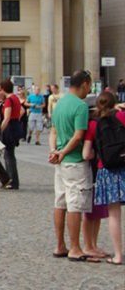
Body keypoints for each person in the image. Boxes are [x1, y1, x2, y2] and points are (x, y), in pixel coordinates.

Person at [49, 70, 95, 262]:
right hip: (75, 162)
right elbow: (78, 136)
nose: (90, 90)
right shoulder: (80, 106)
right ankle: (75, 247)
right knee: (74, 204)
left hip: (60, 163)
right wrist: (64, 152)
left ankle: (60, 244)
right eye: (89, 86)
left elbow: (53, 131)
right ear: (84, 84)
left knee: (60, 203)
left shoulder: (60, 104)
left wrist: (54, 151)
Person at [87, 90, 125, 265]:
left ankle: (118, 255)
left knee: (114, 215)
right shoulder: (122, 117)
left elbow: (87, 153)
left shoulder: (94, 124)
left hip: (107, 170)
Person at [0, 79, 23, 190]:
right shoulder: (15, 98)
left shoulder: (8, 100)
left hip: (9, 128)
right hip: (15, 126)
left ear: (4, 89)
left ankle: (11, 180)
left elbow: (6, 118)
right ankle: (11, 179)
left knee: (8, 155)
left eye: (0, 89)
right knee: (10, 154)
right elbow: (22, 111)